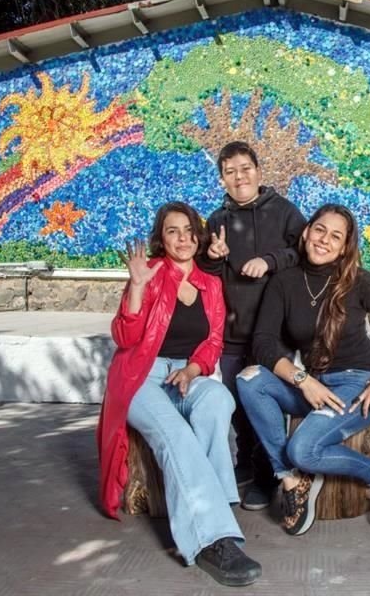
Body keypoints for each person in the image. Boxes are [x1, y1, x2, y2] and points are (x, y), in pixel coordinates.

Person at [96, 202, 262, 587]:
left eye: (188, 230)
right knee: (175, 436)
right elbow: (126, 338)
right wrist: (136, 287)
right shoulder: (149, 274)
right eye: (173, 231)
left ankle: (214, 505)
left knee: (219, 400)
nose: (183, 238)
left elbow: (213, 340)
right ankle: (211, 539)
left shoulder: (210, 283)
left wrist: (192, 370)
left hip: (185, 373)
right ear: (162, 238)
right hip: (142, 376)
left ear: (198, 235)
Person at [237, 203, 370, 536]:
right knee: (249, 379)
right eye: (319, 230)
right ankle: (290, 480)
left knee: (303, 449)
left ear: (345, 246)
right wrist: (303, 380)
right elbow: (262, 343)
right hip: (314, 386)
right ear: (306, 233)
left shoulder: (359, 281)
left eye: (336, 236)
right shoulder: (284, 282)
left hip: (357, 385)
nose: (324, 240)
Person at [199, 140, 306, 510]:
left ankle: (266, 477)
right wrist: (213, 257)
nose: (239, 176)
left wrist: (270, 260)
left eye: (245, 168)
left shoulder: (285, 212)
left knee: (264, 406)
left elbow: (305, 253)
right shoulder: (216, 221)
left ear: (258, 172)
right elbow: (206, 274)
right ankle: (245, 464)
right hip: (231, 331)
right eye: (230, 172)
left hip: (273, 333)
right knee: (237, 407)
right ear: (223, 180)